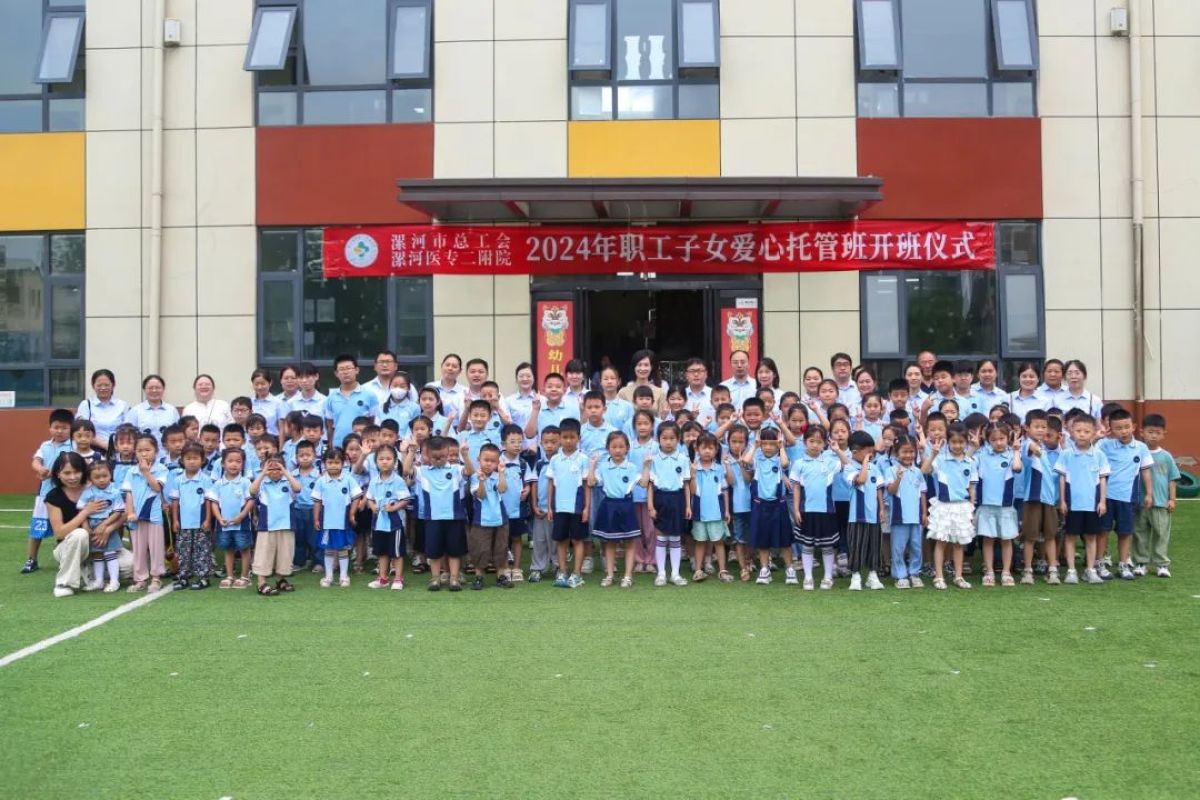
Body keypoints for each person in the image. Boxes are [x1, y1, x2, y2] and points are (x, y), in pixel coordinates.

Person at [1098, 408, 1153, 581]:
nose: (1123, 431)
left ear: (1134, 427)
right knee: (1103, 531)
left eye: (1126, 427)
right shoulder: (1104, 445)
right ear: (1111, 429)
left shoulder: (1141, 448)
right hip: (1106, 497)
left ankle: (1123, 564)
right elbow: (1089, 452)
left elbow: (1145, 472)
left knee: (1125, 532)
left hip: (1128, 498)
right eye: (1118, 428)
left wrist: (1149, 493)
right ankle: (1099, 563)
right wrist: (1099, 437)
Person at [1055, 413, 1110, 584]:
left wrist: (1102, 501)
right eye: (1078, 431)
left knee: (1091, 537)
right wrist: (1062, 501)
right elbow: (1062, 478)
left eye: (1086, 431)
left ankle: (1090, 569)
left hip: (1092, 504)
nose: (1082, 434)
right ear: (1071, 432)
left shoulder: (1099, 455)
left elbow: (1102, 479)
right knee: (1070, 536)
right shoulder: (1066, 454)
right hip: (1073, 504)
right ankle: (1071, 570)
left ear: (1094, 433)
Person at [44, 453, 109, 597]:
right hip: (67, 546)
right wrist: (85, 512)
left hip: (98, 545)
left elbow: (121, 512)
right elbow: (60, 533)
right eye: (67, 473)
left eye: (76, 472)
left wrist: (107, 528)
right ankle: (64, 583)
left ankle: (86, 570)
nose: (72, 477)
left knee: (129, 566)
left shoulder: (96, 487)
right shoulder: (53, 497)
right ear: (58, 474)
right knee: (80, 534)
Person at [922, 422, 977, 590]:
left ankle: (958, 576)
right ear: (948, 441)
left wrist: (972, 507)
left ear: (966, 442)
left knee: (959, 543)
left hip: (962, 507)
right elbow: (924, 470)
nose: (957, 446)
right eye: (954, 442)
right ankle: (939, 576)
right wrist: (933, 454)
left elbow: (972, 487)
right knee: (941, 542)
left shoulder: (970, 461)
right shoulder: (941, 459)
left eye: (961, 442)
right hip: (944, 506)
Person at [588, 431, 645, 588]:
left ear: (627, 448)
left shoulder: (631, 467)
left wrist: (646, 466)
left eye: (621, 447)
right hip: (609, 506)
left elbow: (644, 483)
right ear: (608, 448)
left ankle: (628, 576)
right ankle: (610, 574)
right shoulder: (604, 467)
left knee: (629, 542)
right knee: (610, 542)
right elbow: (591, 482)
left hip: (626, 505)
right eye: (614, 447)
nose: (618, 450)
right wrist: (592, 466)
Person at [790, 425, 844, 590]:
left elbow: (846, 464)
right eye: (811, 441)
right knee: (807, 545)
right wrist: (796, 510)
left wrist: (837, 450)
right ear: (805, 442)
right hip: (806, 511)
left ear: (825, 444)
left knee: (827, 546)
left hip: (827, 511)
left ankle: (828, 577)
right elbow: (796, 488)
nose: (815, 445)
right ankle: (808, 578)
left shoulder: (830, 462)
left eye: (819, 442)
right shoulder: (799, 463)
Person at [23, 408, 75, 574]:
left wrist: (53, 473)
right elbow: (35, 461)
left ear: (71, 429)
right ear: (50, 428)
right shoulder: (44, 445)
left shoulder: (73, 446)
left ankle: (64, 558)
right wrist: (40, 468)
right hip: (45, 494)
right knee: (37, 528)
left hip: (65, 494)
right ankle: (31, 559)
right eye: (56, 427)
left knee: (65, 528)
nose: (59, 431)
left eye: (64, 428)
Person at [974, 422, 1024, 587]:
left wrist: (1016, 450)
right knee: (988, 539)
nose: (999, 443)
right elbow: (968, 462)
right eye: (994, 439)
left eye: (1002, 438)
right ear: (988, 440)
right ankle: (989, 571)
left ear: (1008, 438)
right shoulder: (982, 455)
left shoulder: (1011, 455)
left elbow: (1017, 468)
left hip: (1005, 505)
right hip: (986, 504)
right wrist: (974, 447)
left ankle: (1006, 572)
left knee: (1006, 539)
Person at [415, 436, 468, 592]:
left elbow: (470, 472)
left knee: (454, 551)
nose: (439, 460)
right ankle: (435, 578)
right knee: (434, 552)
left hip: (454, 517)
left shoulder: (456, 469)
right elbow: (405, 471)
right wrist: (411, 451)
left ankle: (454, 578)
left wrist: (465, 455)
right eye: (435, 457)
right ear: (427, 455)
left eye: (443, 456)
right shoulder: (423, 471)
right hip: (433, 518)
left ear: (447, 452)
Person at [742, 428, 792, 585]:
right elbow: (746, 461)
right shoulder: (758, 459)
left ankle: (790, 569)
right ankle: (764, 569)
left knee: (784, 540)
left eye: (772, 444)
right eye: (765, 444)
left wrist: (781, 447)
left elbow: (785, 464)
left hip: (779, 504)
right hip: (760, 505)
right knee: (762, 540)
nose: (768, 447)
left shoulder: (780, 459)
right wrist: (755, 446)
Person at [122, 433, 169, 593]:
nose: (144, 454)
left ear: (156, 451)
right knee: (138, 548)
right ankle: (140, 578)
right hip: (135, 517)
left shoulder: (161, 469)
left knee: (156, 547)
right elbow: (128, 493)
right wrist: (130, 512)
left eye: (147, 450)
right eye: (140, 450)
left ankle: (156, 578)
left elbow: (157, 488)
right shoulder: (131, 471)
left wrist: (146, 472)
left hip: (153, 515)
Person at [1019, 410, 1062, 585]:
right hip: (1033, 498)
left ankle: (1052, 570)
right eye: (1036, 426)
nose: (1040, 430)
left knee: (1051, 536)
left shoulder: (1046, 448)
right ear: (1027, 428)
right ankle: (1027, 571)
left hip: (1049, 499)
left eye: (1043, 427)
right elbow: (1031, 449)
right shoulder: (1026, 445)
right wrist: (1035, 449)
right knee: (1030, 537)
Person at [647, 422, 691, 587]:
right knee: (661, 537)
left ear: (678, 439)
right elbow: (650, 485)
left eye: (672, 438)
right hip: (660, 498)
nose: (668, 442)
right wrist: (650, 506)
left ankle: (675, 573)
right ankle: (661, 573)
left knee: (675, 537)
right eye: (664, 438)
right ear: (658, 439)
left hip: (678, 499)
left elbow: (686, 484)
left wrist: (688, 506)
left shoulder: (683, 459)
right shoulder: (654, 459)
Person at [547, 419, 590, 589]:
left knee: (578, 540)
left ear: (579, 438)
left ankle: (577, 574)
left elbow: (587, 485)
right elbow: (551, 484)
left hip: (577, 508)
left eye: (572, 437)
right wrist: (549, 507)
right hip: (559, 507)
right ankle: (563, 571)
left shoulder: (583, 459)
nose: (568, 441)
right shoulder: (555, 460)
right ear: (559, 438)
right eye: (565, 437)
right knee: (561, 540)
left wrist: (586, 508)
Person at [1133, 413, 1178, 578]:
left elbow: (1172, 479)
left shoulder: (1166, 456)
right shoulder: (1137, 452)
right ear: (1142, 432)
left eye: (1157, 432)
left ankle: (1162, 564)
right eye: (1150, 432)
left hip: (1160, 503)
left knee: (1161, 534)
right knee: (1140, 533)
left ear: (1164, 434)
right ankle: (1141, 562)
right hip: (1140, 503)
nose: (1153, 436)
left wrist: (1171, 499)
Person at [249, 454, 301, 595]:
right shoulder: (262, 483)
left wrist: (285, 472)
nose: (274, 471)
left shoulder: (288, 481)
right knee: (264, 553)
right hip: (267, 525)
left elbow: (298, 488)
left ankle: (280, 580)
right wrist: (263, 473)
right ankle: (261, 583)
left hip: (286, 524)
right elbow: (252, 491)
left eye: (277, 468)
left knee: (285, 553)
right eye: (270, 468)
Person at [312, 447, 362, 588]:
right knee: (328, 549)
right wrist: (316, 519)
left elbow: (356, 497)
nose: (333, 465)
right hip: (327, 522)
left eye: (337, 462)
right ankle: (328, 576)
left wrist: (352, 513)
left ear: (343, 463)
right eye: (330, 462)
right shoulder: (321, 481)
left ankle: (344, 576)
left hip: (343, 522)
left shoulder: (348, 479)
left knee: (343, 549)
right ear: (324, 463)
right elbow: (317, 502)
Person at [843, 431, 885, 591]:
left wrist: (882, 508)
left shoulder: (875, 468)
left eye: (872, 452)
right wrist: (866, 463)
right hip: (857, 516)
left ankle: (873, 575)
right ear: (855, 452)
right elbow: (860, 480)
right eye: (867, 452)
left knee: (874, 545)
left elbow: (879, 489)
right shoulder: (848, 468)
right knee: (857, 545)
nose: (871, 454)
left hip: (873, 515)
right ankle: (855, 576)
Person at [168, 442, 213, 591]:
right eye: (188, 458)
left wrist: (208, 519)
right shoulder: (178, 480)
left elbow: (208, 501)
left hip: (200, 522)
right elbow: (175, 502)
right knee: (183, 550)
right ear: (182, 460)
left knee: (202, 550)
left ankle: (203, 577)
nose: (192, 461)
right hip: (183, 522)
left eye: (195, 458)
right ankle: (183, 576)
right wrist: (175, 520)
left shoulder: (205, 479)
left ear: (202, 460)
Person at [690, 433, 733, 583]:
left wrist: (726, 510)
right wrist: (693, 475)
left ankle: (722, 571)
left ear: (716, 450)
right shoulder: (694, 468)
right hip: (699, 512)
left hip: (716, 512)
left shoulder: (719, 468)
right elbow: (692, 490)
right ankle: (698, 570)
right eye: (704, 448)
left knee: (719, 542)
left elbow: (725, 489)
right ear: (697, 449)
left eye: (711, 448)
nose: (707, 451)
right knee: (700, 541)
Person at [208, 448, 254, 589]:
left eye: (238, 461)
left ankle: (245, 576)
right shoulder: (218, 484)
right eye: (230, 461)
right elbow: (214, 503)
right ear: (223, 464)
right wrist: (219, 518)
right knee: (228, 549)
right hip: (224, 524)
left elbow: (250, 500)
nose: (234, 464)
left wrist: (241, 516)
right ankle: (229, 576)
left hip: (242, 523)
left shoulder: (245, 482)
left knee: (244, 548)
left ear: (243, 464)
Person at [77, 461, 125, 592]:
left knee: (110, 553)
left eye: (105, 476)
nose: (102, 480)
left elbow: (118, 512)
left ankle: (114, 581)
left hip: (108, 523)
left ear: (110, 475)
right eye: (97, 477)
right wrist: (86, 526)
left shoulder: (115, 492)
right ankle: (99, 581)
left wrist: (104, 525)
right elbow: (82, 510)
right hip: (92, 526)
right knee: (97, 554)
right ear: (90, 478)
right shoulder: (88, 492)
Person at [467, 443, 510, 590]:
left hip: (500, 519)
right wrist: (481, 481)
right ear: (479, 459)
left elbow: (502, 489)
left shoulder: (499, 475)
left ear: (498, 462)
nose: (489, 464)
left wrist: (502, 473)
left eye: (493, 461)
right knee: (480, 549)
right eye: (486, 460)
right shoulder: (475, 477)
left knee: (501, 548)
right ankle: (479, 576)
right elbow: (481, 495)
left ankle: (501, 576)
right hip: (481, 520)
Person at [886, 434, 926, 589]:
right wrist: (898, 478)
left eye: (911, 451)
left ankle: (914, 573)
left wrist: (924, 513)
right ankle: (900, 575)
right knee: (898, 547)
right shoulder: (891, 470)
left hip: (916, 516)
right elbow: (890, 491)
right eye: (904, 451)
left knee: (916, 546)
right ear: (897, 453)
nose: (908, 455)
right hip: (899, 517)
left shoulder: (918, 472)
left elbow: (922, 493)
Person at [527, 425, 560, 582]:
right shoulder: (539, 463)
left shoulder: (562, 462)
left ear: (560, 442)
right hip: (541, 509)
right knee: (539, 540)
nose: (549, 445)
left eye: (553, 442)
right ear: (541, 443)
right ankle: (537, 568)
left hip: (557, 509)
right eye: (546, 442)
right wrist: (534, 505)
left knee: (556, 540)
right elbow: (534, 484)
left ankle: (558, 566)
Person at [325, 354, 379, 448]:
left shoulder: (369, 395)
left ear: (357, 370)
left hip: (362, 447)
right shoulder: (331, 398)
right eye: (342, 369)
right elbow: (330, 426)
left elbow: (372, 423)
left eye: (348, 368)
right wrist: (331, 446)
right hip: (338, 446)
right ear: (336, 373)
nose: (345, 372)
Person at [75, 369, 130, 450]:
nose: (103, 388)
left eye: (106, 385)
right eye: (99, 385)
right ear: (93, 385)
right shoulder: (86, 405)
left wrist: (118, 448)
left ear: (113, 385)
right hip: (93, 450)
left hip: (119, 450)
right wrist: (108, 447)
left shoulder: (122, 405)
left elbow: (129, 431)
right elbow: (82, 431)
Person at [125, 374, 180, 445]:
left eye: (158, 388)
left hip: (167, 451)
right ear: (144, 390)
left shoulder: (171, 410)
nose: (154, 390)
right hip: (143, 451)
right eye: (150, 388)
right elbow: (128, 434)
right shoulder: (135, 411)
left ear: (163, 389)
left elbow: (178, 433)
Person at [427, 353, 466, 421]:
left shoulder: (464, 392)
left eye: (454, 366)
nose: (450, 368)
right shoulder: (430, 387)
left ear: (460, 371)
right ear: (441, 366)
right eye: (447, 365)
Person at [250, 369, 286, 436]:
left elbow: (282, 428)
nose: (259, 387)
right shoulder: (249, 402)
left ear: (270, 383)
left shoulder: (278, 403)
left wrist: (280, 443)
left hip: (272, 440)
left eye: (263, 384)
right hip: (252, 440)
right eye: (256, 384)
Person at [682, 358, 715, 423]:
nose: (696, 374)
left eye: (700, 371)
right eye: (692, 371)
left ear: (706, 374)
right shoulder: (681, 395)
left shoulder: (714, 394)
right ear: (686, 375)